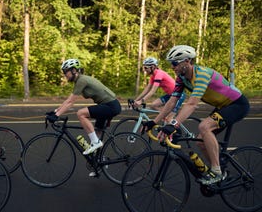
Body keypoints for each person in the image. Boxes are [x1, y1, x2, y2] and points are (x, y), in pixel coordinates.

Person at [145, 45, 250, 185]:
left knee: (204, 126)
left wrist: (173, 125)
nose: (172, 67)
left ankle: (217, 171)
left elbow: (192, 104)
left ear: (187, 61)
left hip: (237, 104)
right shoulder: (182, 78)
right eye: (171, 63)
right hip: (223, 106)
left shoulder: (202, 74)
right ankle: (219, 170)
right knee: (201, 142)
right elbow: (171, 102)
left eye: (175, 63)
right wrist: (154, 122)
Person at [47, 59, 121, 155]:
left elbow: (70, 102)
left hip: (110, 106)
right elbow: (69, 100)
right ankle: (98, 162)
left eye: (66, 71)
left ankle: (96, 142)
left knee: (81, 113)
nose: (65, 75)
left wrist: (56, 115)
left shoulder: (81, 80)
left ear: (74, 70)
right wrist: (56, 111)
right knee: (96, 133)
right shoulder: (80, 80)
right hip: (107, 105)